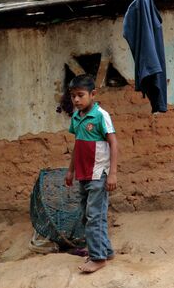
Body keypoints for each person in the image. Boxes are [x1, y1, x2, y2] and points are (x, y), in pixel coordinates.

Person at [64, 74, 118, 273]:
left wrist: (112, 174)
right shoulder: (76, 118)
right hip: (83, 175)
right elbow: (77, 146)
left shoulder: (100, 115)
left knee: (95, 216)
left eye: (80, 95)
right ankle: (106, 251)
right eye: (73, 96)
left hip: (98, 174)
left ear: (92, 94)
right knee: (89, 217)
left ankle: (97, 258)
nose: (76, 100)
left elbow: (113, 143)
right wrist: (71, 171)